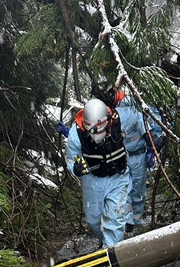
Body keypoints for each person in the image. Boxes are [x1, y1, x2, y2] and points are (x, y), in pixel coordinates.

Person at [63, 97, 148, 248]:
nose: (97, 134)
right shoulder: (76, 135)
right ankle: (106, 241)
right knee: (93, 220)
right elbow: (71, 159)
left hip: (118, 177)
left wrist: (147, 134)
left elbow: (136, 115)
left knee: (114, 220)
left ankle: (111, 250)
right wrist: (75, 168)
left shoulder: (121, 119)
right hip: (92, 180)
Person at [91, 81, 164, 231]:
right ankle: (128, 223)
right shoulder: (106, 114)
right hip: (121, 156)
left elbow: (149, 131)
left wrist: (153, 146)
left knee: (137, 191)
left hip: (137, 156)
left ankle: (135, 222)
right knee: (125, 190)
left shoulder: (132, 108)